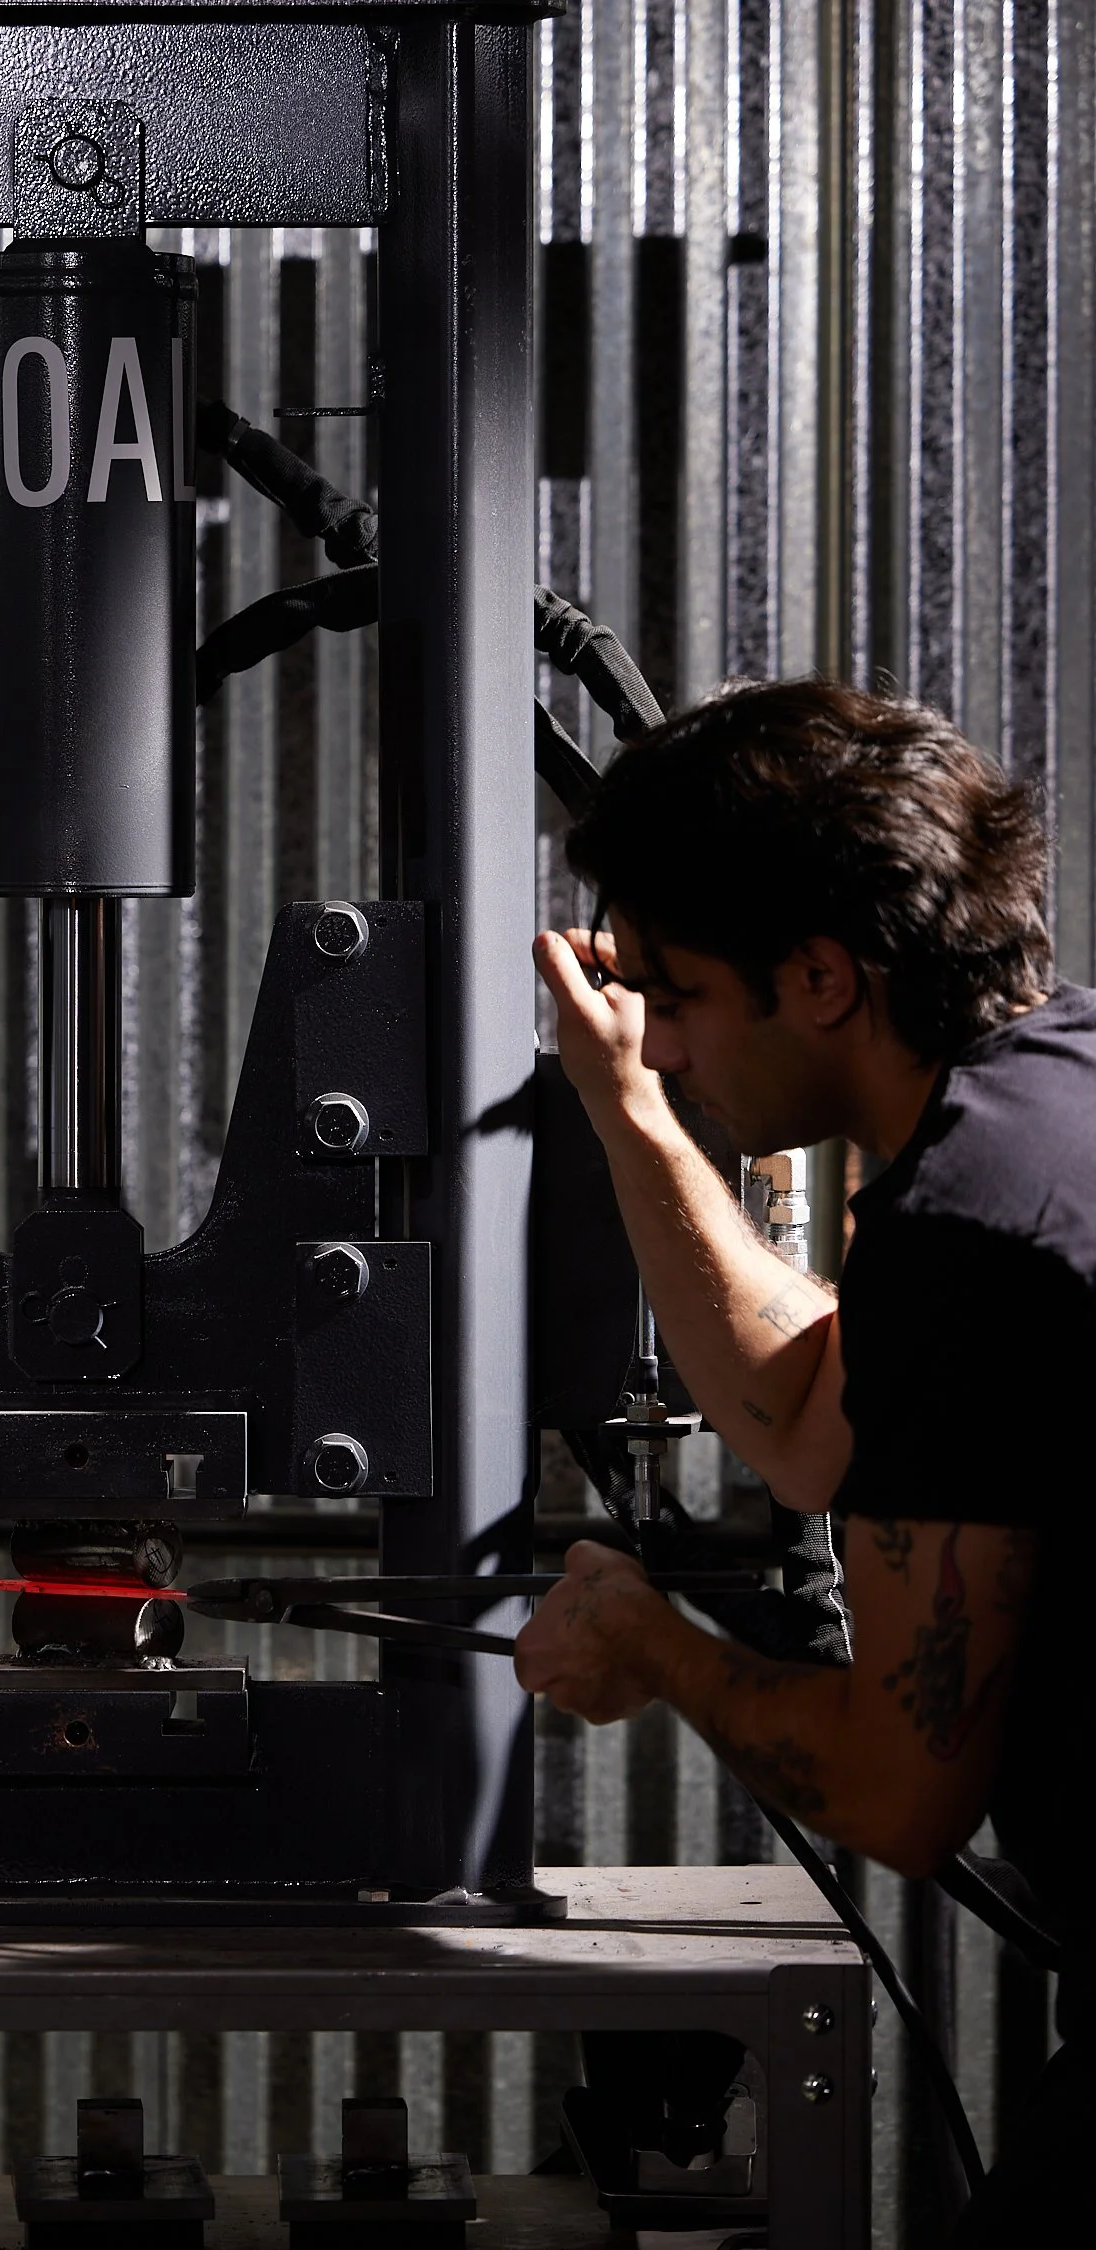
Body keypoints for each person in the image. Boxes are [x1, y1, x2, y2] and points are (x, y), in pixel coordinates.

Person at [515, 676, 1091, 2242]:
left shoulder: (971, 1233)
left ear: (822, 976)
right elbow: (801, 1420)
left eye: (683, 995)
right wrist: (625, 1104)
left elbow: (899, 1796)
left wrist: (655, 1645)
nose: (667, 1037)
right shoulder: (1051, 1111)